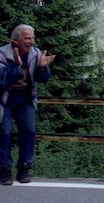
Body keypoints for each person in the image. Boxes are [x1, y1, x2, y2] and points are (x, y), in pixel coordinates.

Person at [0, 24, 55, 185]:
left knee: (29, 131)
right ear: (15, 40)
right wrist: (16, 68)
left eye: (33, 38)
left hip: (26, 100)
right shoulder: (2, 55)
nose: (31, 41)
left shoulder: (36, 54)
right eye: (27, 38)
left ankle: (24, 169)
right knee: (4, 133)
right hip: (5, 100)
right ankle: (4, 170)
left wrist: (43, 68)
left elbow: (42, 79)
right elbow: (2, 81)